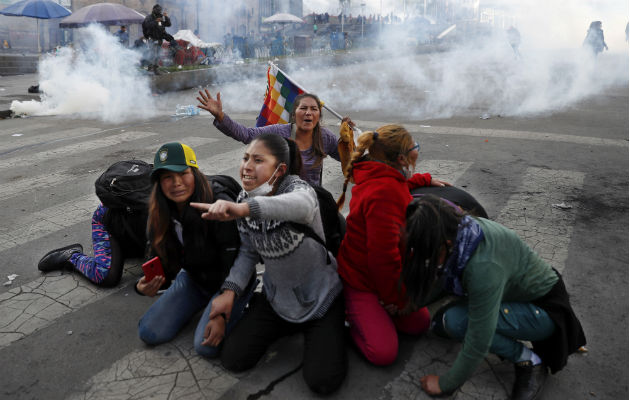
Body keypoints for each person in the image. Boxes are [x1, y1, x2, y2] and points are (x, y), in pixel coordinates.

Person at [190, 133, 347, 394]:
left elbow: (301, 205)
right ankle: (291, 325)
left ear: (280, 170)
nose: (246, 166)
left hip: (321, 299)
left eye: (258, 160)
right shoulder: (243, 199)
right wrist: (229, 293)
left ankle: (329, 329)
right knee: (233, 359)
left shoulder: (299, 191)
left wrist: (243, 209)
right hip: (277, 300)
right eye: (245, 158)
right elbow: (249, 253)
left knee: (323, 381)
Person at [402, 195, 586, 399]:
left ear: (445, 243)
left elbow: (479, 338)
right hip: (517, 294)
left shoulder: (483, 267)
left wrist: (445, 384)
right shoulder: (461, 230)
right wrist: (411, 305)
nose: (426, 261)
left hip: (545, 311)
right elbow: (441, 274)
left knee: (457, 323)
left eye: (428, 254)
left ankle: (529, 360)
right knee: (442, 323)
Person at [335, 125, 450, 366]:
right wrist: (397, 302)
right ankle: (347, 316)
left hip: (382, 276)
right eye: (413, 147)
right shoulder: (384, 192)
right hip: (361, 280)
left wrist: (423, 179)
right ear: (400, 158)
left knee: (419, 324)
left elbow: (400, 185)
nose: (416, 150)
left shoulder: (381, 174)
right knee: (383, 353)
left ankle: (376, 314)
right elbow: (382, 260)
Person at [136, 142, 252, 358]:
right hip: (194, 278)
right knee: (149, 332)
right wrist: (143, 286)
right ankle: (201, 302)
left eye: (183, 173)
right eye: (167, 177)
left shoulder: (217, 204)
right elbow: (157, 258)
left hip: (231, 281)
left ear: (195, 173)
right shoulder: (159, 213)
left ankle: (250, 307)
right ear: (159, 183)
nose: (176, 183)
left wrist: (225, 304)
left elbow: (239, 259)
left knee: (205, 346)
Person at [197, 91, 348, 187]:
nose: (308, 113)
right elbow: (247, 135)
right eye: (303, 108)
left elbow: (349, 161)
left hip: (312, 203)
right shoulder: (279, 132)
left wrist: (349, 140)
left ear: (318, 116)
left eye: (314, 109)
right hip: (279, 202)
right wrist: (220, 116)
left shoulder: (325, 137)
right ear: (294, 115)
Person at [37, 203, 148, 287]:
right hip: (114, 217)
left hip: (143, 227)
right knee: (106, 276)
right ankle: (72, 257)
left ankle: (125, 248)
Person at [142, 4, 176, 74]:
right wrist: (156, 21)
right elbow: (147, 25)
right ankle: (150, 68)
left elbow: (168, 24)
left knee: (157, 54)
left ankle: (155, 68)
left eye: (160, 10)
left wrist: (166, 17)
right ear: (153, 9)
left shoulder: (161, 17)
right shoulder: (149, 17)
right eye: (157, 10)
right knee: (153, 54)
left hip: (159, 38)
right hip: (152, 38)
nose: (159, 11)